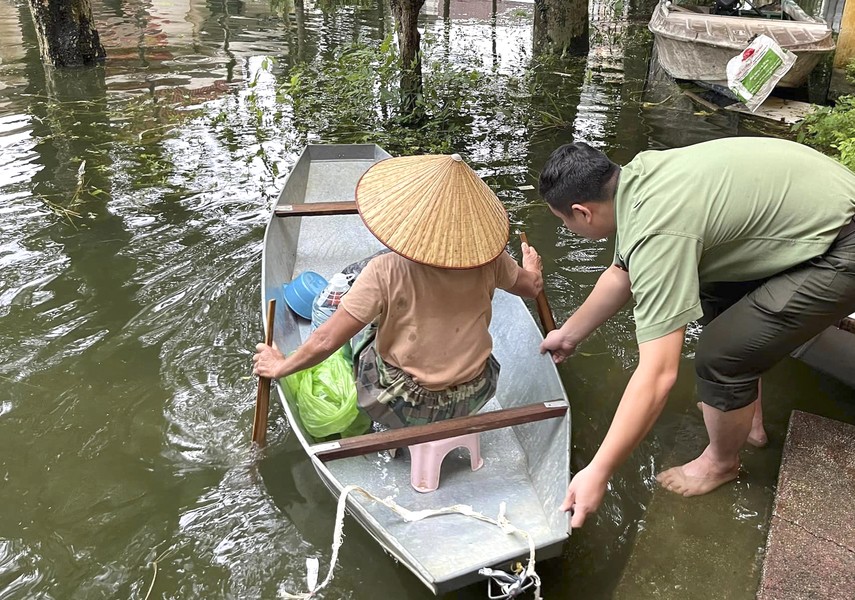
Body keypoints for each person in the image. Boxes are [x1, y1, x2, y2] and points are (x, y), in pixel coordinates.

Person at [537, 137, 855, 528]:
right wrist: (568, 335)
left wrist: (598, 471)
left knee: (720, 357)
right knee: (711, 284)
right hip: (825, 205)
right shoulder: (639, 177)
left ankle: (721, 463)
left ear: (582, 212)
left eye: (562, 222)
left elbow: (658, 374)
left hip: (843, 244)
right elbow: (622, 274)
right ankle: (747, 422)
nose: (566, 230)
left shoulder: (657, 231)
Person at [253, 153, 543, 429]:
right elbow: (532, 288)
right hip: (476, 391)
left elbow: (326, 339)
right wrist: (531, 268)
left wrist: (281, 367)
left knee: (355, 322)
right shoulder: (491, 260)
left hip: (403, 404)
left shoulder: (385, 270)